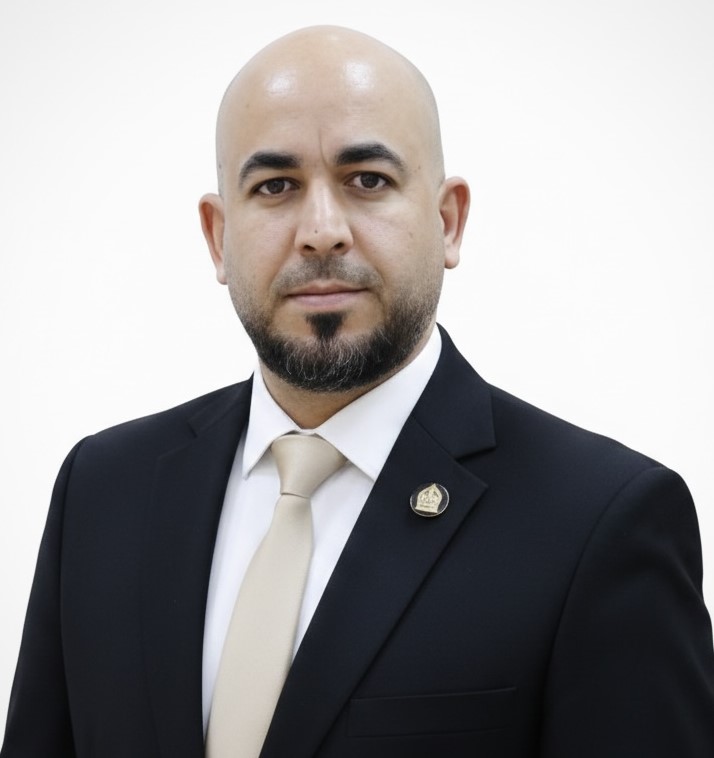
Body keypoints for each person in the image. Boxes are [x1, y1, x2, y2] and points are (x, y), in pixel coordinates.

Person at [2, 25, 713, 758]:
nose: (321, 231)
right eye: (275, 187)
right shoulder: (103, 491)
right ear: (218, 237)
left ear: (448, 221)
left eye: (367, 180)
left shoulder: (599, 521)